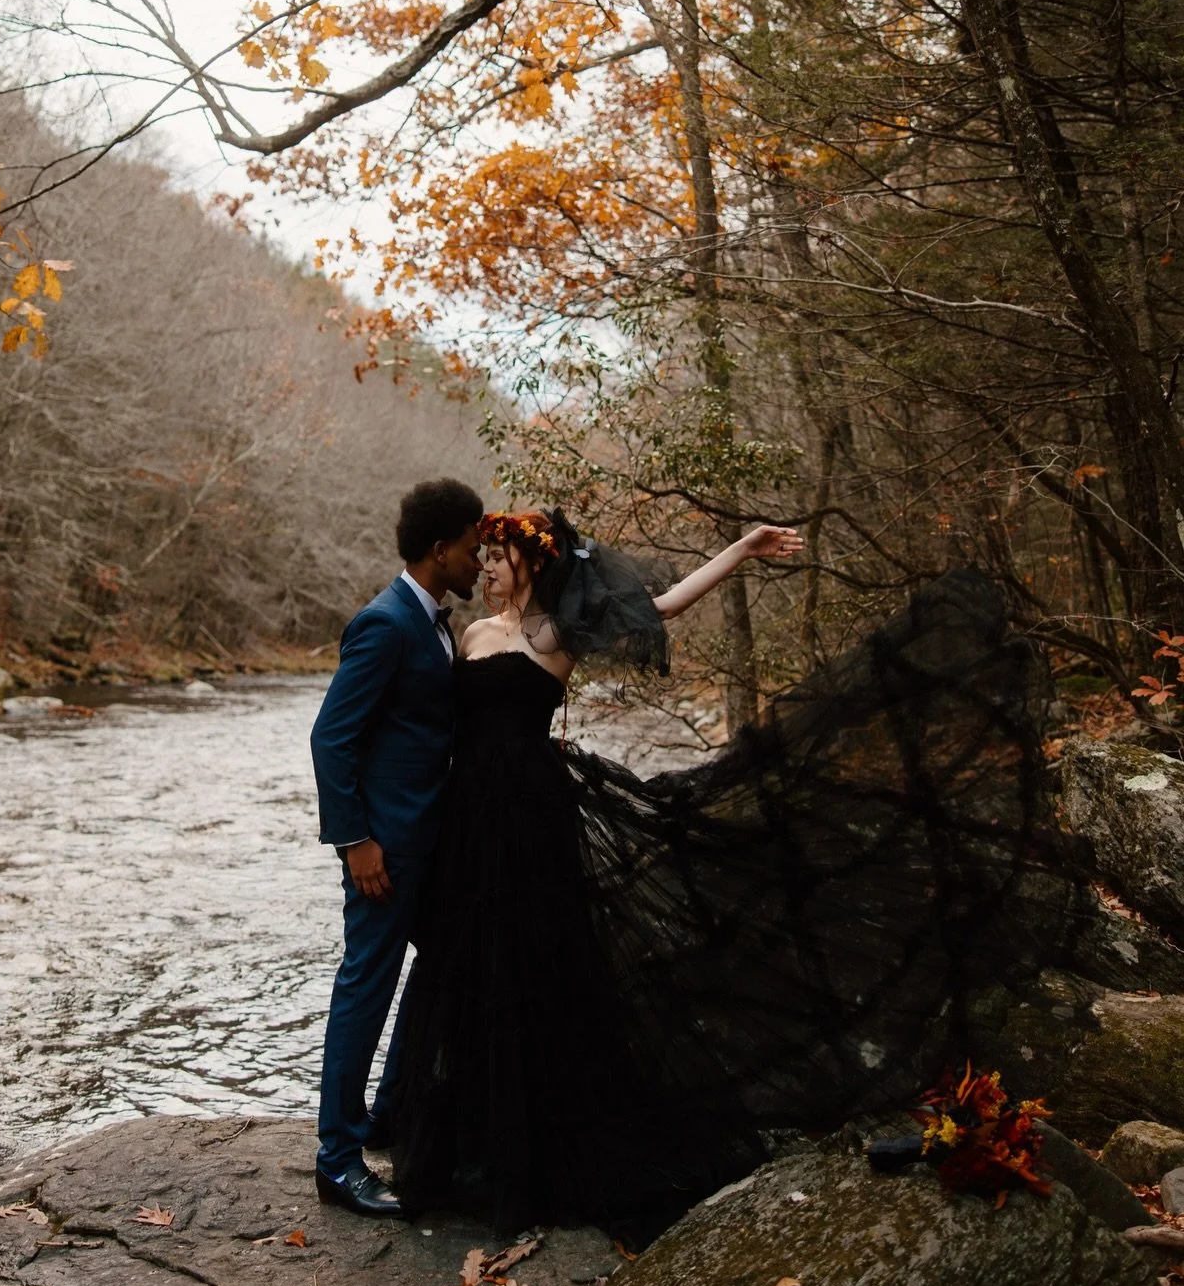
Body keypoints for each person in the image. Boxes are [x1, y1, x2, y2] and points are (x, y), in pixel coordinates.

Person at [385, 510, 1091, 1241]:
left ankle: (534, 1153)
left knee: (539, 969)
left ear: (531, 566)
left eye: (498, 557)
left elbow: (664, 604)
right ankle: (466, 1138)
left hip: (533, 818)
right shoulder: (468, 636)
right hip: (470, 819)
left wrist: (744, 549)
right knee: (468, 965)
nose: (488, 567)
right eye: (486, 556)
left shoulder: (560, 631)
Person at [309, 476, 483, 1218]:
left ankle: (386, 1111)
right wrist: (356, 842)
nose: (480, 561)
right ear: (440, 550)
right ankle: (338, 1160)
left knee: (449, 962)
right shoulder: (383, 624)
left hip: (432, 843)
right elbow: (331, 738)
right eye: (474, 550)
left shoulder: (437, 622)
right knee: (365, 987)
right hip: (384, 850)